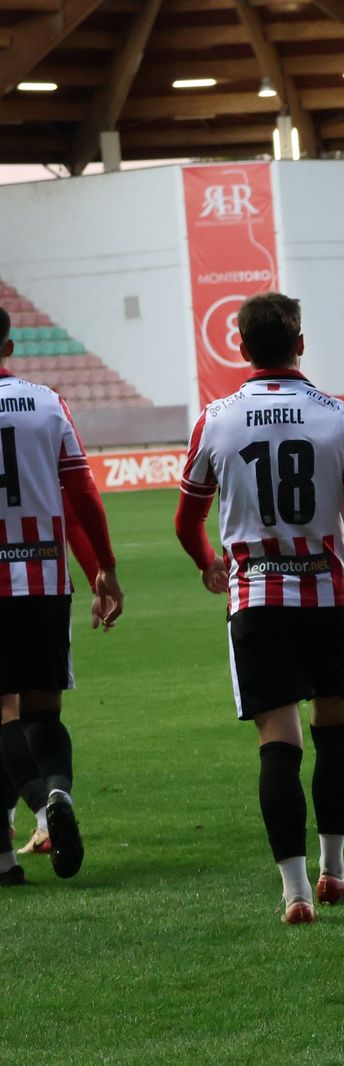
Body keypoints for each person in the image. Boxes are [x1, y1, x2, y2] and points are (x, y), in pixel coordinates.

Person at [173, 292, 344, 923]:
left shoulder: (217, 418)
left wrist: (208, 560)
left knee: (278, 742)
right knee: (334, 729)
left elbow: (187, 520)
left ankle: (295, 893)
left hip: (258, 598)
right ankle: (333, 871)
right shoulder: (337, 417)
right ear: (300, 343)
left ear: (240, 346)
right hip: (328, 596)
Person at [0, 305, 123, 886]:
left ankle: (20, 834)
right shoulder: (46, 403)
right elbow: (82, 496)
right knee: (41, 708)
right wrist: (105, 569)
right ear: (9, 345)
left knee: (1, 715)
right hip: (42, 582)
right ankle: (55, 793)